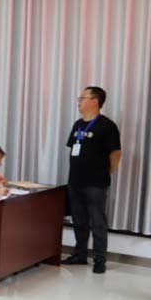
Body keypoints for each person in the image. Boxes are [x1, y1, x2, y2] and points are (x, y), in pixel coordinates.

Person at [65, 86, 121, 274]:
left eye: (83, 98)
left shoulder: (107, 126)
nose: (79, 101)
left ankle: (99, 260)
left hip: (96, 183)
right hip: (75, 181)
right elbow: (73, 149)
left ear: (95, 101)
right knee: (79, 220)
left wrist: (107, 172)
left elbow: (116, 153)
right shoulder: (78, 125)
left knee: (97, 221)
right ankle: (80, 255)